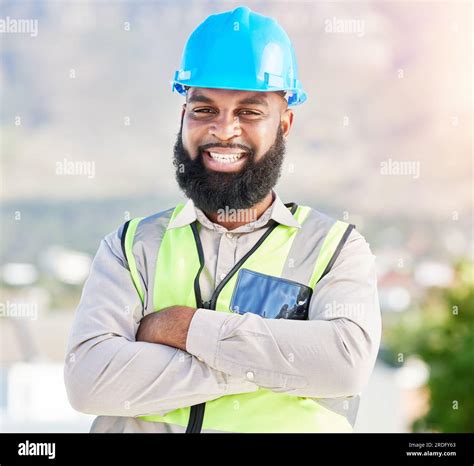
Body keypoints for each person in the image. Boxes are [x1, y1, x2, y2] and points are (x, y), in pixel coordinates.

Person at [64, 5, 381, 433]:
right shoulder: (131, 247)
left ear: (284, 123)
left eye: (249, 112)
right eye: (204, 109)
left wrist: (184, 326)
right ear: (183, 117)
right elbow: (89, 382)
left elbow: (344, 367)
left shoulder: (335, 250)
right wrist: (275, 367)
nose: (224, 130)